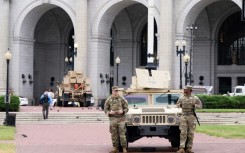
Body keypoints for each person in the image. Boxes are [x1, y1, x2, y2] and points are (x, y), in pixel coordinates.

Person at [176, 85, 202, 153]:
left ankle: (189, 148)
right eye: (184, 89)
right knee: (183, 132)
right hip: (183, 116)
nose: (184, 90)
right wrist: (179, 105)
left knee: (190, 133)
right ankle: (181, 148)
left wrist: (195, 105)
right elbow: (177, 104)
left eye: (186, 89)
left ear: (190, 90)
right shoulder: (181, 97)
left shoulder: (195, 98)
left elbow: (200, 106)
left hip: (191, 116)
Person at [104, 86, 129, 153]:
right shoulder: (109, 99)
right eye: (115, 91)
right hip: (113, 119)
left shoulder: (122, 99)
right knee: (114, 135)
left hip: (121, 119)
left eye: (117, 91)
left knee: (122, 134)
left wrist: (123, 111)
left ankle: (124, 148)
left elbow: (126, 108)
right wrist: (109, 113)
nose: (116, 92)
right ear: (112, 91)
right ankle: (115, 148)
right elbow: (105, 109)